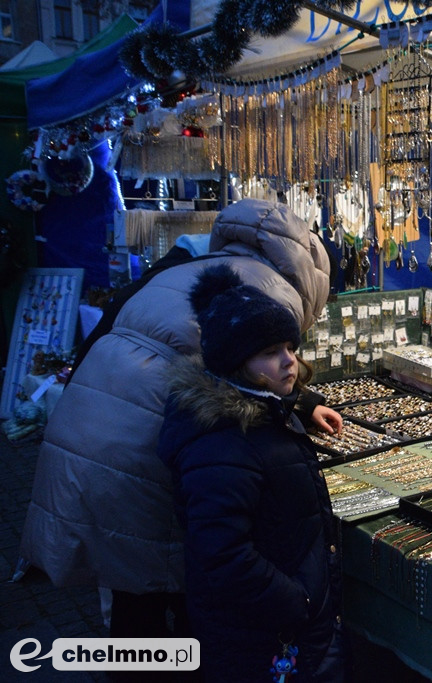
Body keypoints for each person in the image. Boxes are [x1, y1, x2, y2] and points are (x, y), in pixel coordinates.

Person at [19, 198, 338, 650]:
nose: (289, 355)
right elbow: (242, 362)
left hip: (87, 422)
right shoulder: (266, 289)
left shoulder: (200, 266)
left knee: (132, 591)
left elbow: (230, 357)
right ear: (309, 273)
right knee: (167, 587)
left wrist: (304, 403)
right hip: (134, 452)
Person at [157, 264, 343, 681]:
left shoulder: (260, 413)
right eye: (270, 353)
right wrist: (299, 603)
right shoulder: (222, 443)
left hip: (283, 625)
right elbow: (223, 556)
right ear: (237, 363)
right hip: (261, 635)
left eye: (291, 348)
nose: (289, 362)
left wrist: (303, 402)